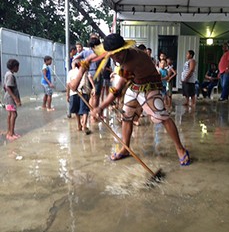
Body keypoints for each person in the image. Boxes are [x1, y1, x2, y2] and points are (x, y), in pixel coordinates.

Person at [69, 33, 190, 166]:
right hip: (134, 85)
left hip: (149, 86)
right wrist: (78, 76)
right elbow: (91, 56)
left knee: (162, 117)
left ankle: (180, 148)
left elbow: (116, 90)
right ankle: (125, 148)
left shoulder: (133, 60)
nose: (117, 57)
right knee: (127, 117)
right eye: (113, 55)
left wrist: (100, 107)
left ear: (124, 49)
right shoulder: (112, 51)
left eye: (119, 54)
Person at [74, 37, 101, 122]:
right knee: (96, 96)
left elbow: (75, 59)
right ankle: (93, 115)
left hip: (87, 74)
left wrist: (78, 67)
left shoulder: (85, 52)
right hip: (96, 74)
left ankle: (89, 113)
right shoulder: (99, 52)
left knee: (89, 95)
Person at [66, 60, 91, 135]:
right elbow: (68, 84)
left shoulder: (79, 71)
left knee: (79, 110)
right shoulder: (83, 71)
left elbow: (68, 84)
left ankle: (80, 125)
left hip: (77, 92)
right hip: (81, 92)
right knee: (84, 110)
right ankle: (83, 125)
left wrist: (67, 94)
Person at [3, 59, 21, 141]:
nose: (18, 69)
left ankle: (9, 132)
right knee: (14, 115)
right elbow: (8, 87)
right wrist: (15, 98)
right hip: (10, 98)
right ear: (14, 67)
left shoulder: (7, 74)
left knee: (10, 114)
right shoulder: (10, 75)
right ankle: (11, 134)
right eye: (17, 67)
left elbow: (4, 86)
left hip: (7, 97)